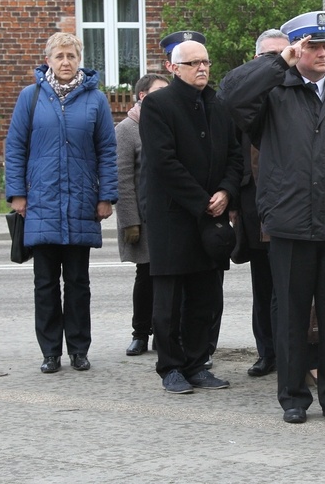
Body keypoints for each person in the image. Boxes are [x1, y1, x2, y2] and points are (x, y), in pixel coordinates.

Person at [218, 11, 325, 424]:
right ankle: (293, 396)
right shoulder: (274, 94)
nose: (322, 53)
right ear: (297, 49)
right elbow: (229, 97)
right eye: (313, 45)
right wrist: (279, 62)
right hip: (289, 224)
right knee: (291, 316)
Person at [5, 32, 118, 374]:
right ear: (48, 60)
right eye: (60, 56)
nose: (66, 62)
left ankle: (79, 350)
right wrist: (18, 194)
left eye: (71, 56)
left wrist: (106, 197)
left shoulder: (95, 100)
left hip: (82, 203)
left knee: (79, 282)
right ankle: (50, 351)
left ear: (78, 59)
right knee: (45, 284)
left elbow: (107, 152)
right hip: (41, 203)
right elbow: (15, 147)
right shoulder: (32, 97)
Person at [140, 40, 242, 394]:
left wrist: (227, 191)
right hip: (174, 217)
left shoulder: (218, 105)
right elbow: (163, 162)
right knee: (169, 300)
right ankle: (170, 366)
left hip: (210, 219)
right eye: (193, 63)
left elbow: (235, 155)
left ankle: (198, 362)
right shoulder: (158, 105)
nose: (202, 68)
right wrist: (202, 201)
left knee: (206, 296)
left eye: (206, 62)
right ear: (173, 68)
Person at [238, 28, 290, 378]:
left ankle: (291, 353)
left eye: (282, 57)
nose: (277, 64)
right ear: (257, 61)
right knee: (263, 285)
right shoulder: (243, 98)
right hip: (252, 205)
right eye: (270, 57)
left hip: (288, 208)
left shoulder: (293, 96)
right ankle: (266, 351)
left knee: (289, 287)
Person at [116, 73, 169, 356]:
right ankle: (140, 333)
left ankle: (166, 335)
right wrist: (130, 221)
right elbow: (123, 178)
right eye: (159, 91)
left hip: (168, 215)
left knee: (169, 281)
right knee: (146, 276)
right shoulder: (127, 128)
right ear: (143, 96)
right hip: (143, 216)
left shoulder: (169, 123)